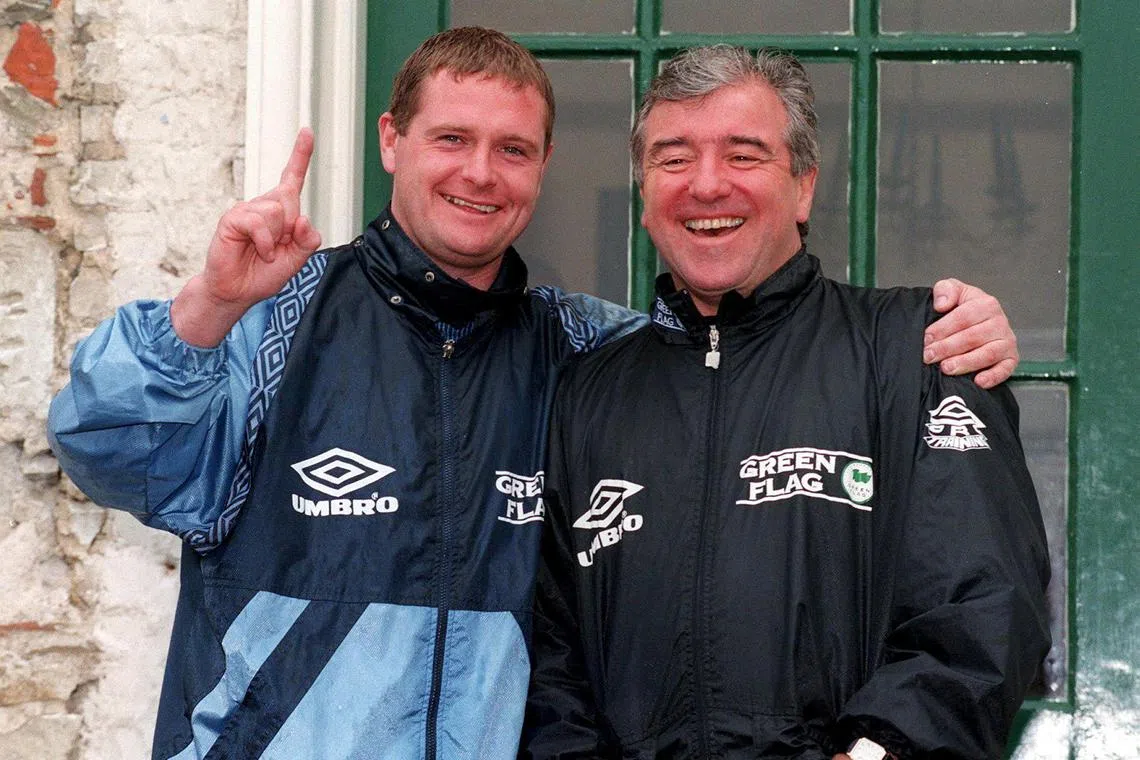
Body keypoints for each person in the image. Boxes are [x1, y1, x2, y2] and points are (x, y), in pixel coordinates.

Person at [48, 28, 1018, 760]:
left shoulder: (584, 350)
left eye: (512, 149)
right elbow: (105, 449)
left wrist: (957, 335)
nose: (480, 172)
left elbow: (740, 365)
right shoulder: (275, 320)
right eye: (451, 137)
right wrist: (211, 302)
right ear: (391, 141)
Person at [522, 46, 1051, 760]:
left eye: (744, 156)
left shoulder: (920, 351)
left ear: (804, 187)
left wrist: (878, 752)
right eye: (673, 159)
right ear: (645, 195)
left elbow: (985, 604)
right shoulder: (585, 394)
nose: (707, 184)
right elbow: (548, 659)